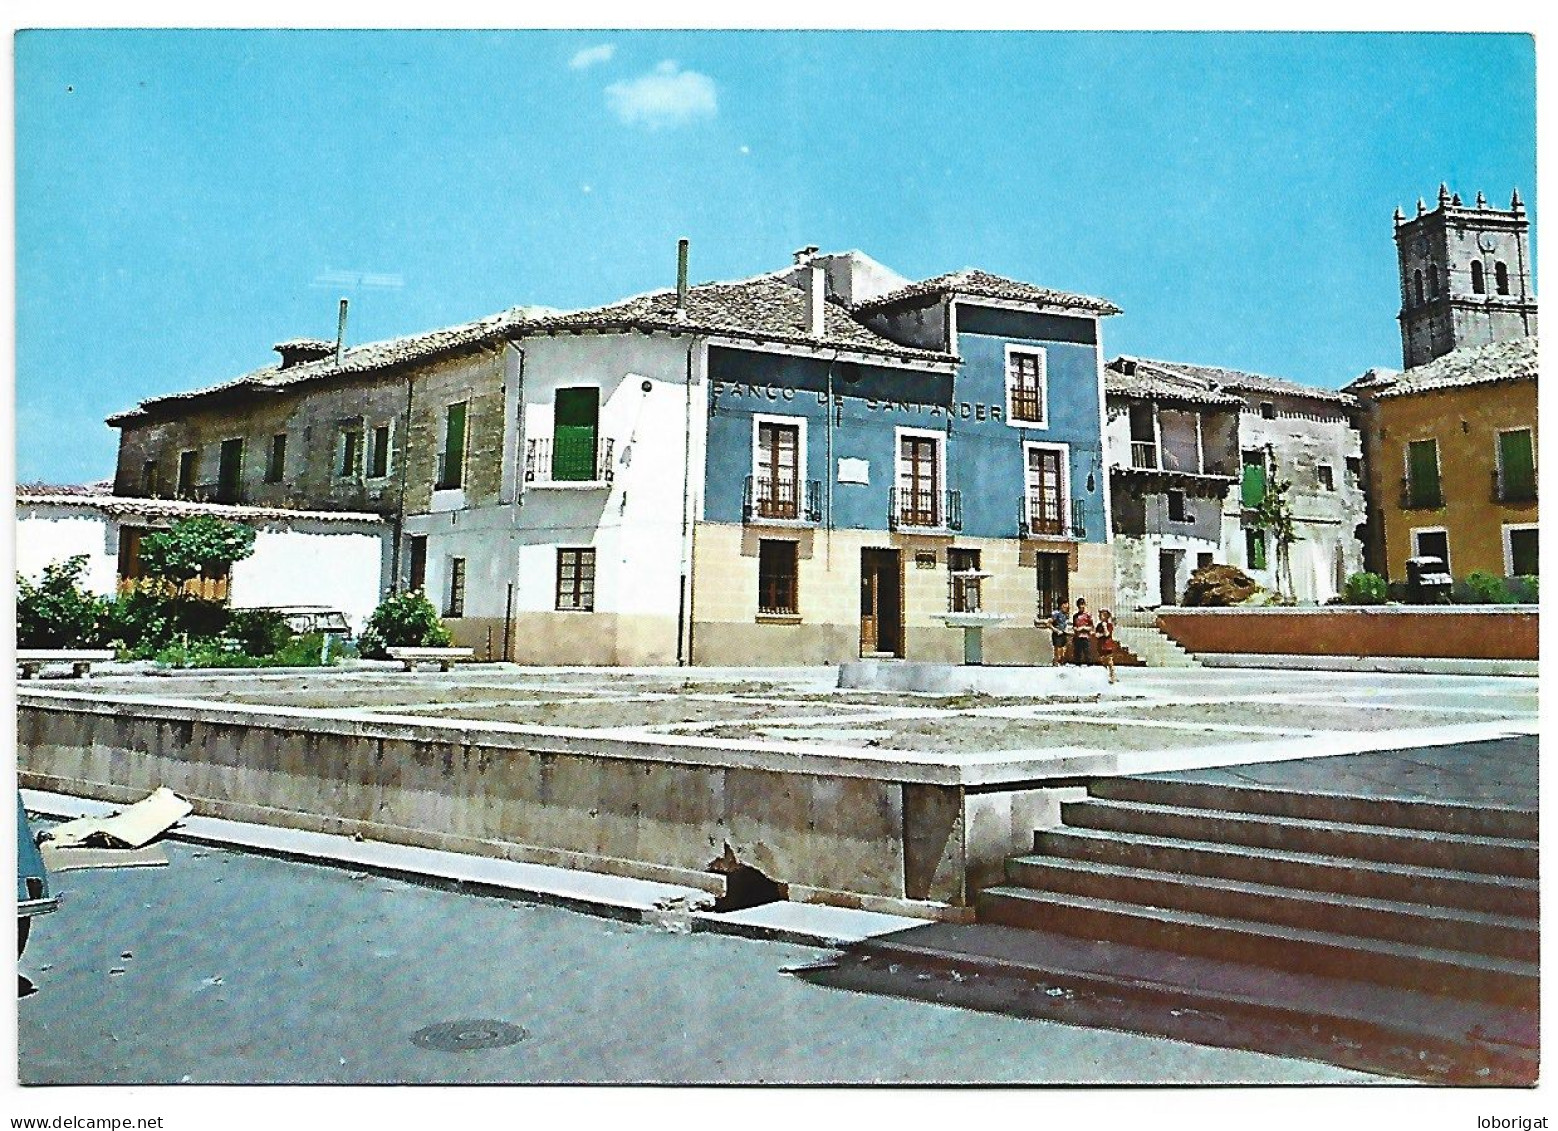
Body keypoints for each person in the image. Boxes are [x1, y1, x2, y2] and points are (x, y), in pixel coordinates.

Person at [1095, 608, 1117, 684]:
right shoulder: (1098, 625)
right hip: (1101, 646)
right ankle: (1105, 676)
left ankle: (1112, 676)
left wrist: (1104, 627)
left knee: (1110, 662)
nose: (1099, 616)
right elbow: (1097, 635)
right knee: (1103, 661)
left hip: (1108, 645)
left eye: (1101, 615)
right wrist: (1102, 634)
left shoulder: (1109, 625)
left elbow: (1107, 634)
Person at [1045, 601, 1071, 666]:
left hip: (1063, 633)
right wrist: (1056, 630)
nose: (1066, 607)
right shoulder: (1055, 613)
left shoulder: (1065, 614)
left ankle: (1061, 662)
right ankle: (1056, 662)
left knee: (1063, 649)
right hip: (1057, 634)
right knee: (1058, 649)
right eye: (1064, 605)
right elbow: (1048, 624)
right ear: (1061, 605)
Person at [1071, 598, 1094, 666]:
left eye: (1082, 604)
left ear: (1085, 605)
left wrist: (1084, 628)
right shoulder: (1075, 616)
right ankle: (1078, 666)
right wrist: (1076, 629)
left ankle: (1090, 666)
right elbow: (1074, 626)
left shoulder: (1088, 615)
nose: (1081, 606)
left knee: (1087, 652)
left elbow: (1091, 627)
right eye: (1079, 605)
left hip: (1085, 637)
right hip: (1078, 637)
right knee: (1077, 653)